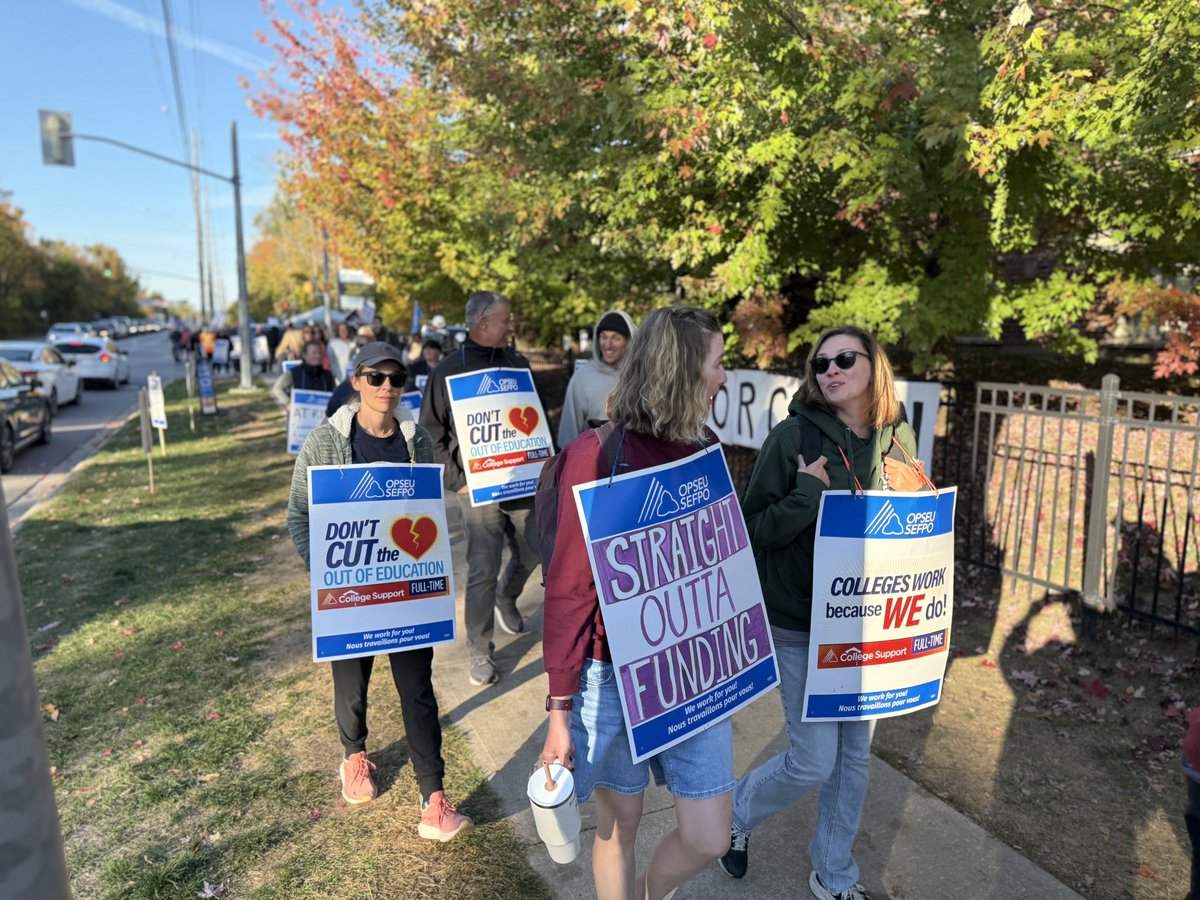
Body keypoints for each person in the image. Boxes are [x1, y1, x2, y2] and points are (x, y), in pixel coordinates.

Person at [717, 325, 926, 900]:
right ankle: (735, 810)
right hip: (797, 623)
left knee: (853, 756)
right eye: (820, 363)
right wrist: (806, 497)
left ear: (873, 367)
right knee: (812, 761)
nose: (830, 370)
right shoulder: (793, 438)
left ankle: (834, 874)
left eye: (843, 359)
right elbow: (748, 531)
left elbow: (916, 531)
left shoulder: (897, 439)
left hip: (869, 624)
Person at [540, 306, 732, 900]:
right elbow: (569, 590)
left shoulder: (706, 446)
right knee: (619, 823)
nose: (725, 376)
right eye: (718, 363)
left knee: (710, 837)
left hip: (692, 668)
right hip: (610, 674)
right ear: (683, 371)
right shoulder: (594, 456)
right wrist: (559, 712)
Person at [286, 342, 473, 840]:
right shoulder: (324, 443)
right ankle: (354, 756)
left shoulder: (418, 444)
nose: (387, 386)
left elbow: (423, 518)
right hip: (351, 596)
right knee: (352, 687)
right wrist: (324, 571)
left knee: (418, 691)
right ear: (356, 381)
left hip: (406, 594)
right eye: (376, 377)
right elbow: (300, 514)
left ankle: (433, 799)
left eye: (397, 378)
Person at [419, 291, 542, 687]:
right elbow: (430, 435)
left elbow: (535, 422)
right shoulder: (447, 371)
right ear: (483, 323)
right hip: (476, 489)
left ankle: (508, 595)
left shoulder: (518, 365)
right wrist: (458, 481)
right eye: (505, 320)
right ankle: (480, 650)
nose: (511, 326)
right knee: (482, 568)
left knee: (535, 547)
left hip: (522, 482)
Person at [558, 309, 635, 446]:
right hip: (594, 463)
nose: (607, 345)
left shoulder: (641, 377)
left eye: (616, 338)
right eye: (604, 337)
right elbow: (568, 434)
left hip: (637, 462)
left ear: (629, 342)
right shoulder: (582, 377)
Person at [271, 340, 337, 410]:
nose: (318, 356)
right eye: (314, 353)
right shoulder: (294, 373)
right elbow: (277, 388)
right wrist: (288, 403)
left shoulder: (328, 375)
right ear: (304, 355)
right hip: (299, 418)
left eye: (320, 353)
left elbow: (335, 395)